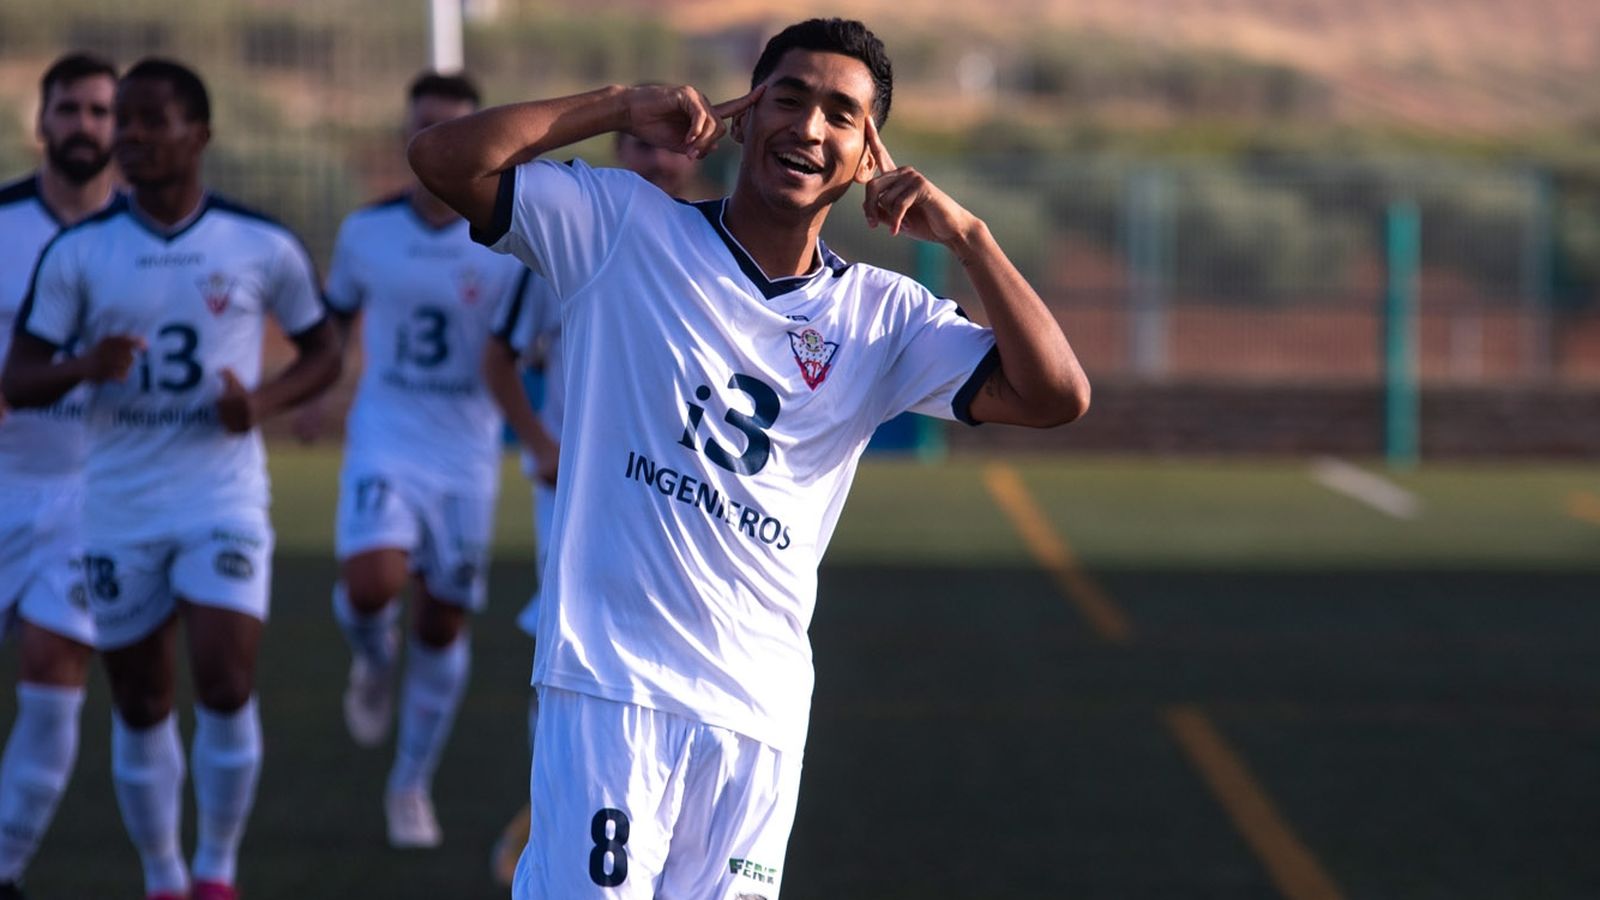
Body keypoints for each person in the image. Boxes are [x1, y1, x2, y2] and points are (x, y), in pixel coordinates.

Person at [409, 17, 1089, 898]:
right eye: (790, 98)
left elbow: (1056, 394)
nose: (808, 128)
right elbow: (444, 161)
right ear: (744, 114)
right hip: (616, 689)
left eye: (841, 115)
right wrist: (620, 105)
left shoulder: (883, 316)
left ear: (866, 154)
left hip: (760, 721)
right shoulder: (620, 228)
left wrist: (968, 237)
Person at [2, 59, 341, 900]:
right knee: (143, 698)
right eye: (127, 123)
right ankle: (163, 876)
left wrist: (258, 403)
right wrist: (90, 364)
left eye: (152, 122)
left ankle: (216, 871)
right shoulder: (80, 252)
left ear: (201, 136)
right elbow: (20, 375)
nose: (132, 138)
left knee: (225, 677)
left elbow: (324, 352)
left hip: (219, 497)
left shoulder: (258, 242)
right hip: (115, 505)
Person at [481, 130, 709, 886]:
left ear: (695, 156)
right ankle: (549, 813)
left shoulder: (717, 253)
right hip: (579, 495)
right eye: (637, 147)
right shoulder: (576, 236)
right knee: (571, 643)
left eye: (667, 149)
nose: (654, 161)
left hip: (676, 504)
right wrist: (540, 441)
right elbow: (498, 356)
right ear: (617, 149)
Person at [323, 71, 532, 850]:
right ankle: (372, 658)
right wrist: (320, 391)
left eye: (452, 127)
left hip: (467, 455)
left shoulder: (508, 240)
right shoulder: (365, 232)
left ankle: (409, 784)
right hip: (385, 433)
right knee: (372, 583)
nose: (435, 143)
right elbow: (335, 320)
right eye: (425, 129)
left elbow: (533, 335)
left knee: (442, 625)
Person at [0, 52, 119, 900]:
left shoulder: (144, 240)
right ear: (41, 123)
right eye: (70, 110)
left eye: (101, 112)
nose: (86, 126)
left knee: (54, 673)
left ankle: (3, 868)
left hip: (90, 497)